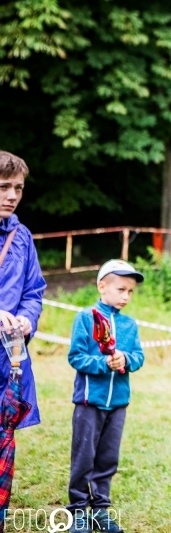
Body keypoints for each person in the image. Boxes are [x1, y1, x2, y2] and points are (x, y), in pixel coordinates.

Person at [66, 260, 146, 533]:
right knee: (83, 458)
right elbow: (76, 357)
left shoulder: (130, 325)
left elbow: (138, 356)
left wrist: (126, 360)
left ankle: (100, 509)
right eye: (121, 289)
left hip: (118, 404)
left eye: (130, 291)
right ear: (102, 286)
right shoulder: (85, 318)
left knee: (107, 459)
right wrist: (103, 363)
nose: (126, 296)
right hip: (89, 403)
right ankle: (78, 510)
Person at [0, 150, 46, 513]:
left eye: (18, 188)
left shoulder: (22, 236)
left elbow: (34, 291)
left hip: (9, 358)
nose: (12, 195)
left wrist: (28, 317)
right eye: (4, 187)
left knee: (3, 440)